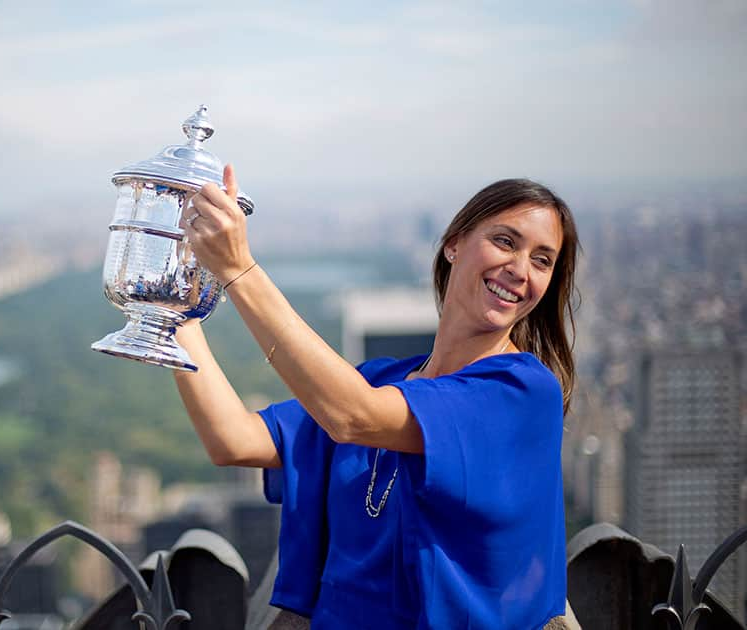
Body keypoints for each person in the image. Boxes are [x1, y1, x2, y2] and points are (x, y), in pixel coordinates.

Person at [172, 165, 580, 629]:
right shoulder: (382, 380)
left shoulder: (521, 392)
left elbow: (352, 416)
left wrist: (238, 269)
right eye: (505, 241)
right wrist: (176, 317)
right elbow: (233, 440)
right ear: (453, 244)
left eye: (542, 260)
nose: (520, 268)